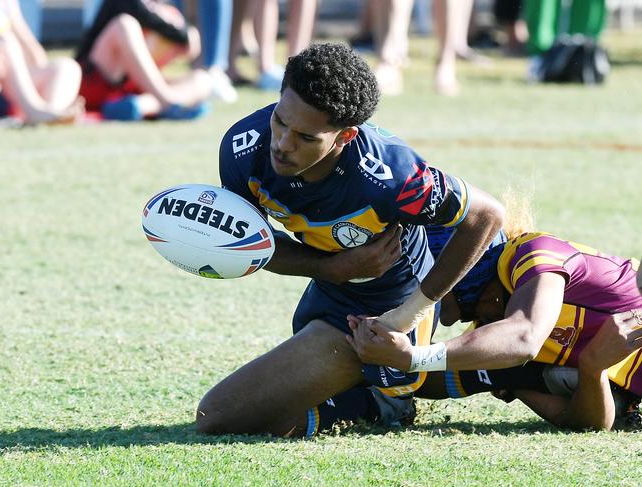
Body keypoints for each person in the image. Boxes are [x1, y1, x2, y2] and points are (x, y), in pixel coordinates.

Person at [195, 42, 504, 437]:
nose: (283, 143)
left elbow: (486, 215)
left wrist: (408, 314)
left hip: (384, 310)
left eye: (306, 137)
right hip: (328, 290)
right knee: (233, 416)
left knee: (218, 417)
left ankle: (385, 397)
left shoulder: (393, 176)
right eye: (280, 120)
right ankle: (376, 389)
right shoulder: (243, 148)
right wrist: (329, 267)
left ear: (344, 137)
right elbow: (250, 245)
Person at [348, 226, 642, 431]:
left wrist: (412, 357)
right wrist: (371, 357)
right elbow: (589, 424)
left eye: (427, 282)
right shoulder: (491, 335)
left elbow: (523, 337)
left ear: (461, 270)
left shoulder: (532, 252)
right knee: (518, 371)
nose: (420, 297)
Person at [76, 0, 211, 121]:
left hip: (137, 89)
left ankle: (140, 106)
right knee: (125, 24)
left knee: (203, 80)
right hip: (98, 79)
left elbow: (191, 48)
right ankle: (167, 103)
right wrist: (182, 33)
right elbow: (136, 10)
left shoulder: (169, 13)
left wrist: (185, 31)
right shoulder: (130, 5)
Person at [0, 0, 82, 125]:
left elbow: (36, 58)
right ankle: (36, 112)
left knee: (67, 68)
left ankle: (51, 113)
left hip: (10, 89)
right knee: (5, 43)